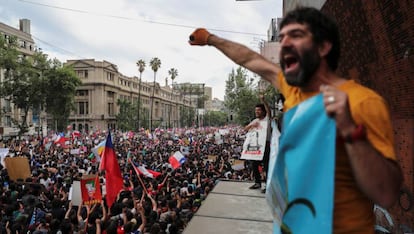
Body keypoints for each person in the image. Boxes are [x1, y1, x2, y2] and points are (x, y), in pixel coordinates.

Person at [189, 6, 403, 233]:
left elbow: (386, 193)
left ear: (323, 47)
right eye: (282, 39)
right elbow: (250, 59)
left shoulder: (363, 102)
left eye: (297, 36)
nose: (285, 45)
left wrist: (350, 130)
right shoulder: (293, 91)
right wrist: (211, 39)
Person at [243, 94, 271, 193]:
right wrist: (251, 125)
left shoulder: (267, 119)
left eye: (258, 110)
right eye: (255, 111)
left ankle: (267, 185)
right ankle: (257, 182)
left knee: (266, 165)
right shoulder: (255, 121)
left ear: (263, 111)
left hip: (266, 145)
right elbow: (245, 129)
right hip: (257, 146)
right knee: (254, 164)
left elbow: (269, 111)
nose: (257, 112)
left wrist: (264, 100)